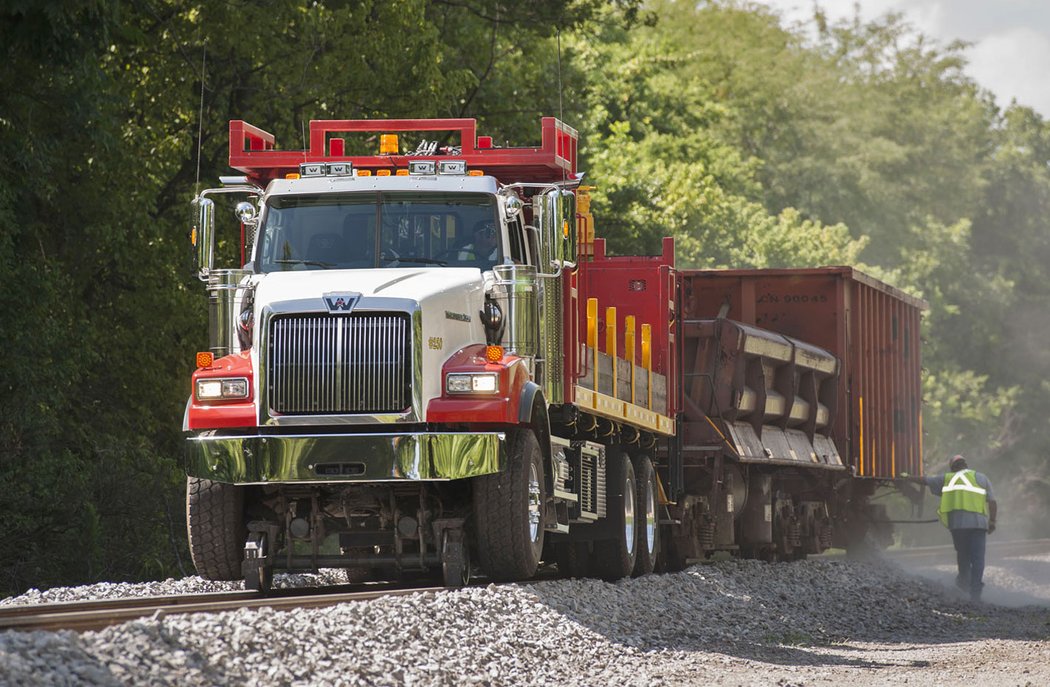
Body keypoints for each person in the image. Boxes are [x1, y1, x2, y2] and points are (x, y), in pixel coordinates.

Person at [921, 455, 997, 601]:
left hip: (959, 526)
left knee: (963, 556)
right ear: (966, 465)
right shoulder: (982, 478)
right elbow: (992, 502)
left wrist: (905, 477)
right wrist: (992, 521)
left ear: (952, 467)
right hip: (978, 525)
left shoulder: (948, 478)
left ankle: (963, 585)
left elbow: (924, 480)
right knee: (978, 558)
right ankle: (975, 592)